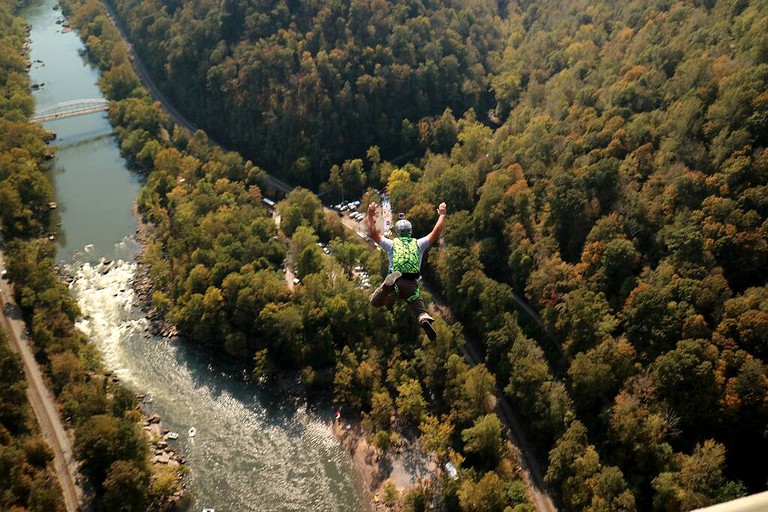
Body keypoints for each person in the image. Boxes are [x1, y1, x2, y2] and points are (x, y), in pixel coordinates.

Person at [367, 201, 447, 340]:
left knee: (375, 302)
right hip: (412, 285)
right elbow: (436, 232)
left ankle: (387, 288)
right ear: (410, 232)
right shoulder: (419, 244)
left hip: (395, 282)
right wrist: (442, 214)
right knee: (420, 312)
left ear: (397, 233)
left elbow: (373, 234)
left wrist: (370, 215)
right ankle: (423, 320)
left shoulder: (391, 244)